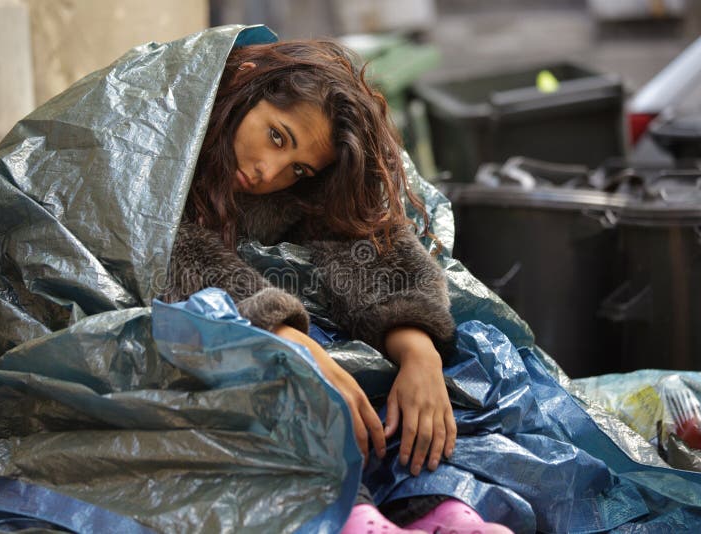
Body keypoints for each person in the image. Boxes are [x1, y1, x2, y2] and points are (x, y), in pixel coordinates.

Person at [160, 38, 512, 534]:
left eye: (298, 168)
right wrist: (285, 340)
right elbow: (161, 249)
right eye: (277, 137)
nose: (269, 172)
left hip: (290, 333)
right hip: (179, 361)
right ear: (249, 80)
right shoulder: (157, 143)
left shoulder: (295, 191)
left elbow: (362, 243)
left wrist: (419, 354)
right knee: (283, 383)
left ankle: (435, 507)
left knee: (429, 388)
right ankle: (352, 513)